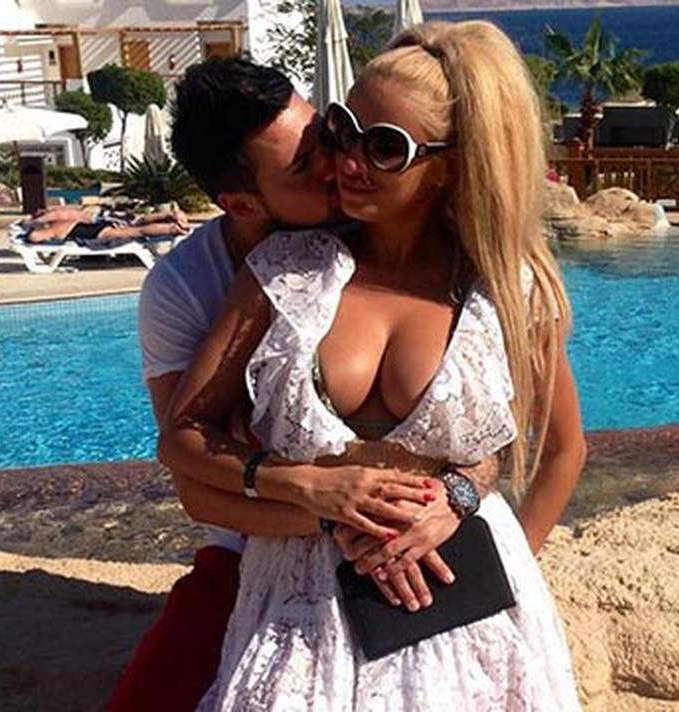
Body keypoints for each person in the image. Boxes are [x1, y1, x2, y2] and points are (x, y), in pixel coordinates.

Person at [159, 20, 585, 709]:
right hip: (298, 608)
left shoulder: (508, 288)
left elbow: (561, 450)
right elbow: (182, 436)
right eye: (344, 130)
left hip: (461, 614)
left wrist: (495, 556)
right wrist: (308, 489)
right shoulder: (286, 270)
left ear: (451, 164)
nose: (348, 162)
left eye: (384, 147)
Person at [22, 205, 189, 245]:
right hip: (102, 220)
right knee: (137, 222)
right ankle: (169, 215)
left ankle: (173, 228)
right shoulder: (66, 213)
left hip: (94, 232)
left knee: (137, 231)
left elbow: (35, 237)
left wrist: (31, 228)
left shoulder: (57, 224)